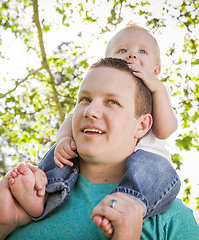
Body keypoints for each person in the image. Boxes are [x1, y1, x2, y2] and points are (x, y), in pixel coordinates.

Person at [0, 58, 199, 239]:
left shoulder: (172, 220)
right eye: (84, 99)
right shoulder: (30, 197)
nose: (90, 111)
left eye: (112, 102)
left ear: (142, 125)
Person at [9, 23, 180, 226]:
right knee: (61, 154)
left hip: (147, 164)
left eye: (142, 51)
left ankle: (128, 202)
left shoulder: (158, 91)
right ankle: (45, 193)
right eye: (122, 50)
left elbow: (164, 131)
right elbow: (72, 119)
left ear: (157, 70)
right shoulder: (96, 95)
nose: (132, 55)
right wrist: (64, 139)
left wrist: (158, 90)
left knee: (159, 171)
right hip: (94, 155)